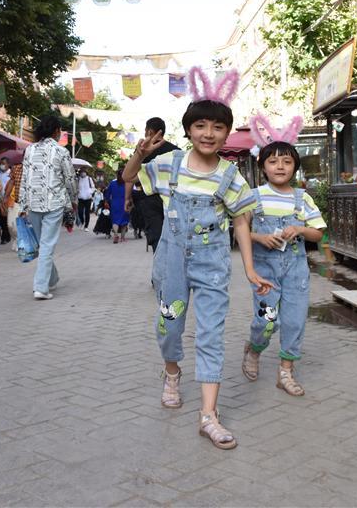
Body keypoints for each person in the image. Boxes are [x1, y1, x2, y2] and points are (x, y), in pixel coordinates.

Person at [122, 66, 272, 450]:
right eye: (201, 125)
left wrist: (250, 268)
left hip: (212, 265)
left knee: (211, 335)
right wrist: (138, 156)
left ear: (225, 132)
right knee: (169, 328)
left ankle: (209, 415)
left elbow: (241, 221)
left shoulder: (231, 176)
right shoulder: (167, 165)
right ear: (188, 129)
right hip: (171, 261)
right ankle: (171, 371)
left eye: (217, 127)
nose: (209, 133)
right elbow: (127, 178)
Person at [240, 139, 326, 397]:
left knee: (294, 321)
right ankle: (254, 349)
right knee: (266, 321)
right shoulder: (253, 197)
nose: (280, 167)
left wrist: (300, 228)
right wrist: (260, 238)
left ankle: (286, 372)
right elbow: (239, 233)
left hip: (296, 270)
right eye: (273, 161)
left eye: (287, 162)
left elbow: (318, 234)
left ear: (295, 167)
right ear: (263, 167)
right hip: (264, 271)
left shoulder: (303, 198)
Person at [19, 116, 78, 300]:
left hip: (33, 203)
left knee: (43, 244)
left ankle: (51, 279)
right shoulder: (61, 151)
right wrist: (73, 199)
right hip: (55, 203)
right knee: (46, 245)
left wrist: (22, 203)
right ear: (56, 131)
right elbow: (70, 179)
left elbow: (24, 177)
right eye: (59, 130)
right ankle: (41, 288)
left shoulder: (29, 149)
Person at [125, 117, 179, 252]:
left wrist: (127, 198)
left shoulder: (143, 152)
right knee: (174, 236)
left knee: (156, 237)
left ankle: (161, 262)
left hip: (149, 198)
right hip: (172, 199)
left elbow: (129, 177)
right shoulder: (176, 151)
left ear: (149, 131)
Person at [104, 168, 130, 243]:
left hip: (114, 204)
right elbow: (131, 193)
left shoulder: (112, 183)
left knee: (115, 221)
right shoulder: (127, 183)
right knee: (124, 222)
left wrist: (106, 201)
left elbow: (107, 194)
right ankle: (122, 238)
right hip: (125, 203)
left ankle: (115, 234)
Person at [5, 159, 23, 250]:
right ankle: (15, 238)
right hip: (14, 201)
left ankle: (20, 240)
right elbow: (11, 183)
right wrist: (5, 197)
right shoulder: (16, 168)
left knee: (20, 224)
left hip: (27, 202)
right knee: (10, 224)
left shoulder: (34, 168)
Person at [0, 157, 13, 244]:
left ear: (8, 164)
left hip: (8, 198)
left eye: (4, 163)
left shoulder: (11, 173)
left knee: (7, 218)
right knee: (0, 218)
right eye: (1, 163)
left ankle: (5, 236)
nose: (2, 165)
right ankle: (5, 235)